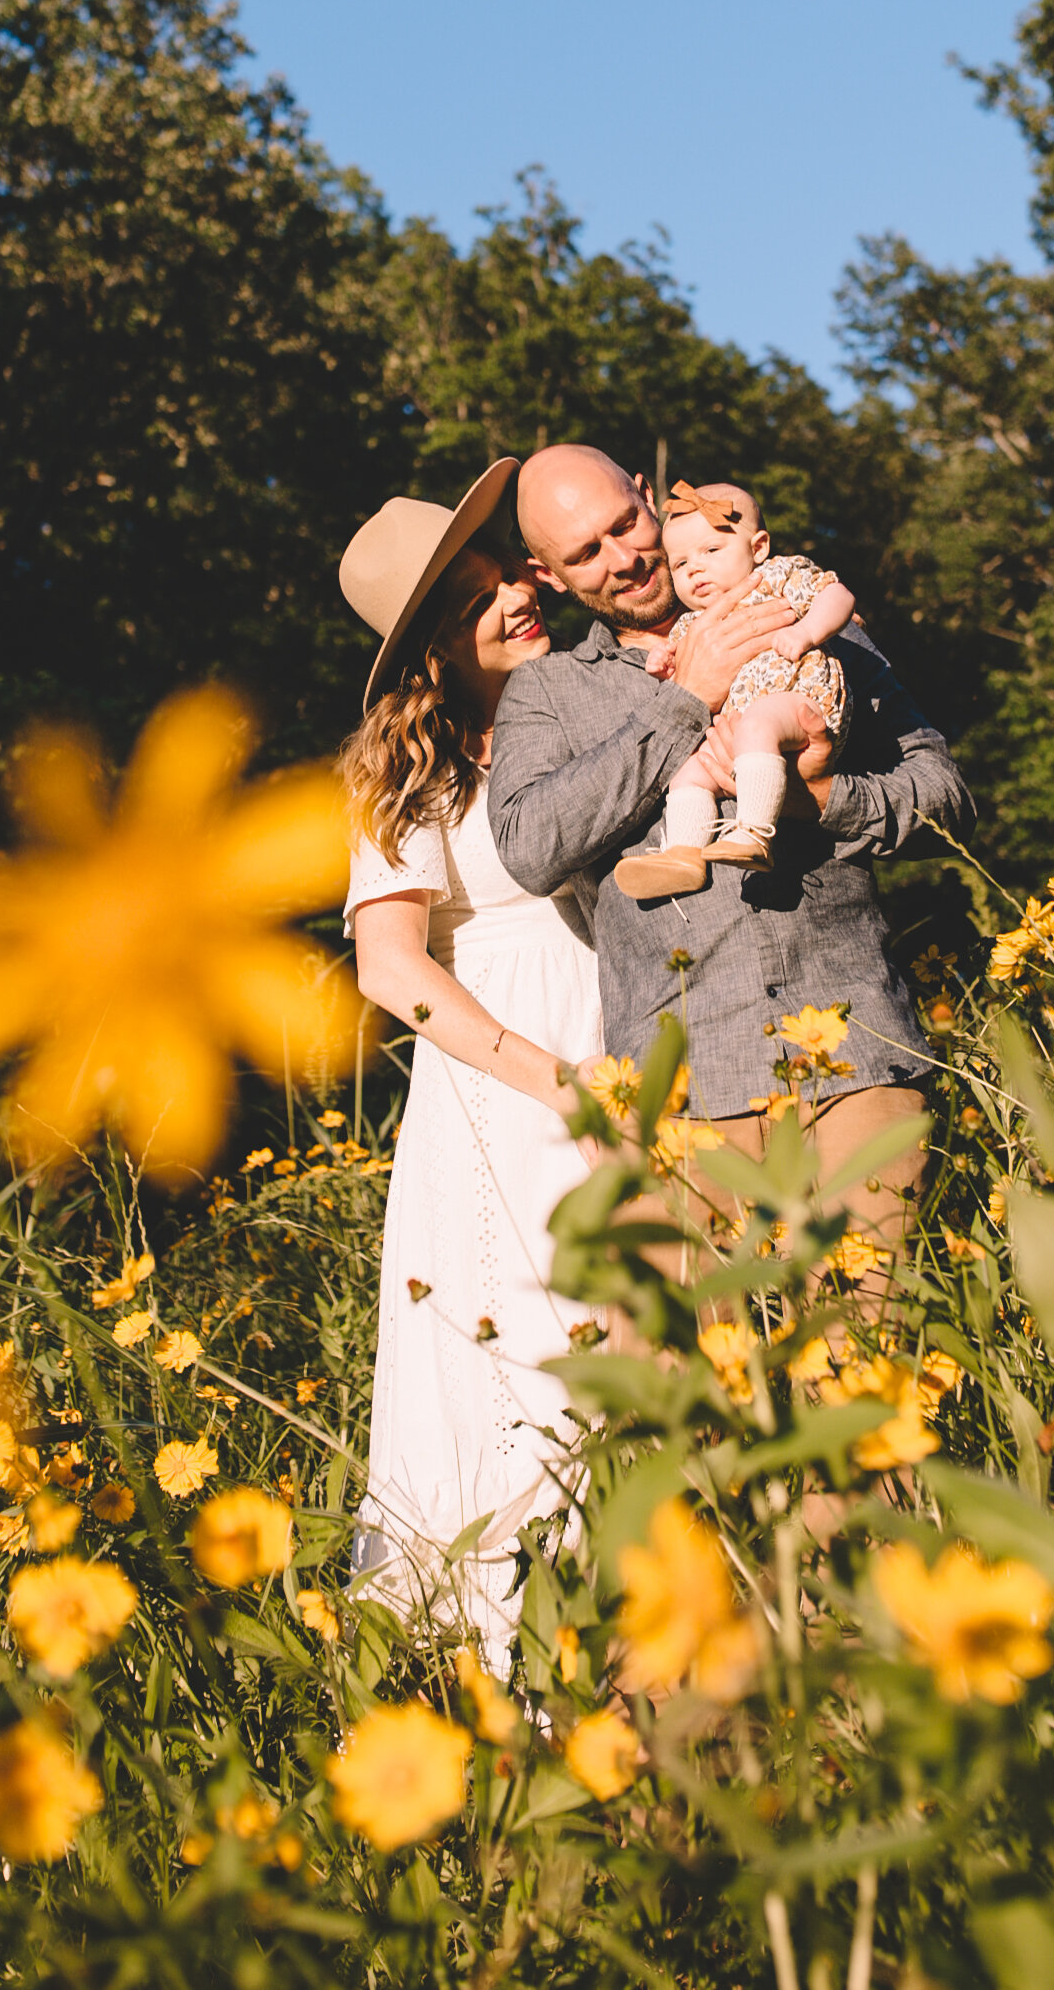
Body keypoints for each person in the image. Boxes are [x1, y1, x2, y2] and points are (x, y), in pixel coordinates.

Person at [489, 444, 975, 1265]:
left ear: (650, 496)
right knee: (690, 1386)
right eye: (585, 553)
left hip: (853, 1054)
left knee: (866, 1367)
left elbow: (946, 798)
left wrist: (822, 795)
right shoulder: (546, 693)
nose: (625, 559)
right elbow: (531, 847)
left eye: (625, 524)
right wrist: (687, 700)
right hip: (679, 1094)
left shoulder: (812, 624)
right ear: (548, 572)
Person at [337, 459, 601, 1659]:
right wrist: (555, 1082)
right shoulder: (411, 778)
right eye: (483, 592)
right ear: (434, 643)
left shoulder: (586, 712)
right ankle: (520, 1678)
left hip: (625, 1053)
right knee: (531, 1366)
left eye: (515, 574)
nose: (520, 598)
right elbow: (391, 969)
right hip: (511, 1095)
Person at [616, 478, 857, 894]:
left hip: (802, 701)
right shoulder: (691, 622)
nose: (695, 568)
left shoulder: (778, 576)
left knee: (757, 723)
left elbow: (837, 595)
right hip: (741, 728)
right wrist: (664, 664)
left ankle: (754, 832)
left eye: (711, 550)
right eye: (680, 563)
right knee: (690, 769)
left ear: (758, 547)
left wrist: (808, 633)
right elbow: (686, 670)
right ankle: (682, 855)